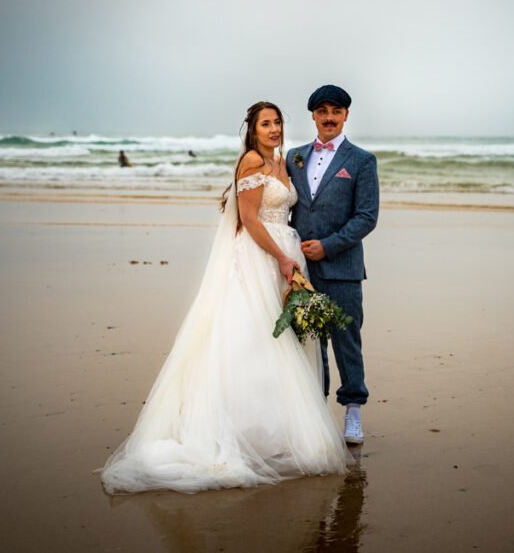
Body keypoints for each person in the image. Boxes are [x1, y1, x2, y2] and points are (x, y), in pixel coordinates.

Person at [100, 102, 351, 494]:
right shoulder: (251, 161)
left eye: (278, 122)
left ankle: (279, 431)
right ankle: (241, 432)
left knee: (283, 341)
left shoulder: (284, 162)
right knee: (252, 340)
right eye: (265, 124)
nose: (273, 129)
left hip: (285, 258)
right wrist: (283, 257)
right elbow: (250, 220)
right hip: (258, 258)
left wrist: (291, 258)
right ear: (252, 130)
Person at [286, 85, 379, 445]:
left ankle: (353, 411)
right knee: (310, 343)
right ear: (312, 115)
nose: (328, 117)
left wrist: (328, 246)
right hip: (302, 272)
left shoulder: (361, 161)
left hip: (343, 270)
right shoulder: (294, 157)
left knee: (346, 341)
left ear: (346, 115)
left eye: (336, 111)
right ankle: (316, 413)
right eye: (322, 111)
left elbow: (367, 217)